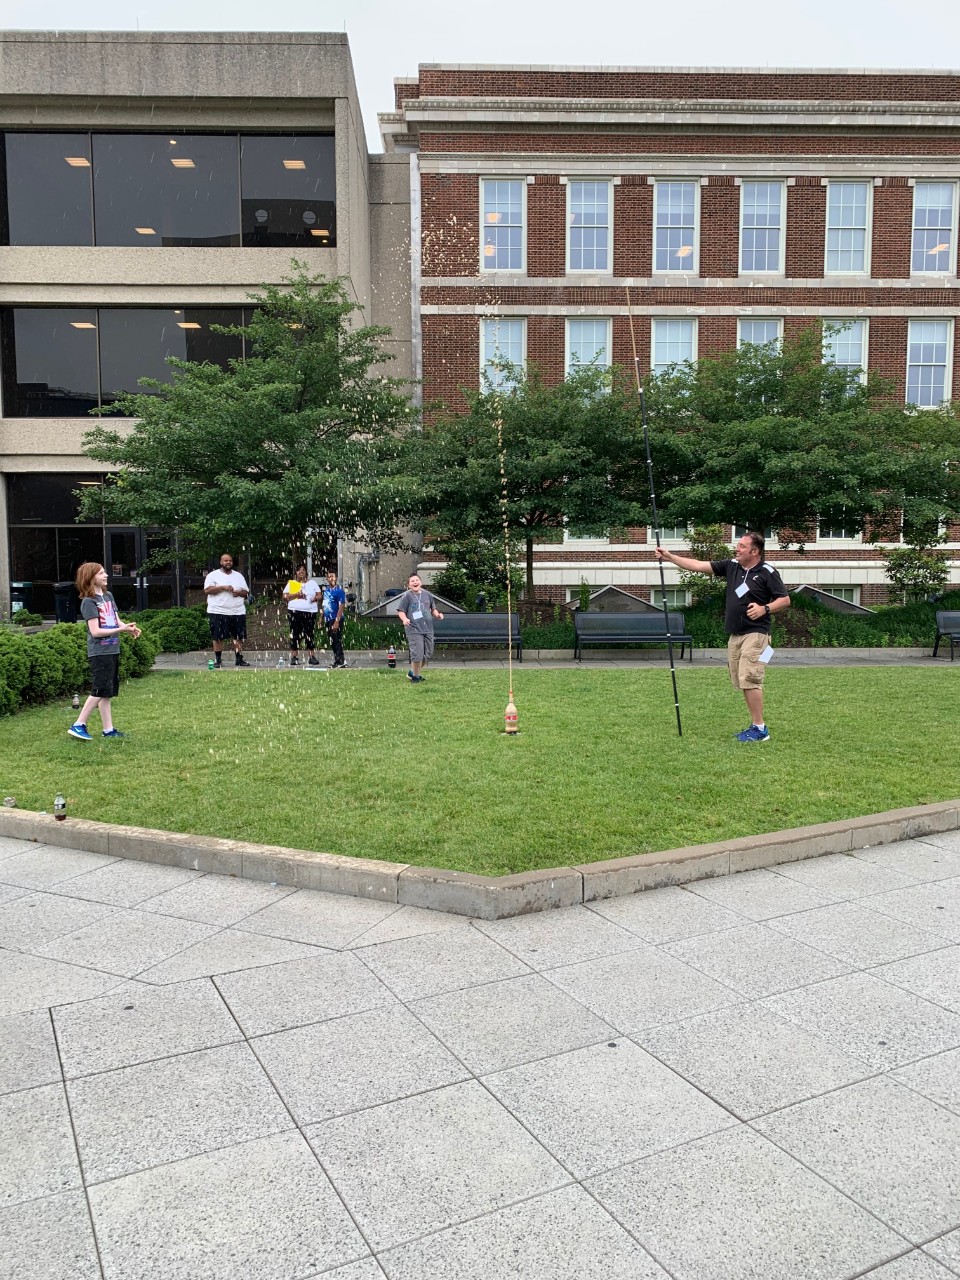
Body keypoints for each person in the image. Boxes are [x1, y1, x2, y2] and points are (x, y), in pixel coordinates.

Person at [657, 530, 790, 742]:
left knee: (751, 677)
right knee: (741, 679)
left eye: (742, 546)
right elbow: (699, 565)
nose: (737, 548)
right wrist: (670, 557)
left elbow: (784, 600)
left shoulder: (767, 572)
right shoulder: (732, 566)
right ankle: (756, 726)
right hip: (736, 635)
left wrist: (764, 609)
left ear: (755, 551)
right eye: (738, 545)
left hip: (757, 635)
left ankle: (760, 728)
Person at [68, 562, 142, 740]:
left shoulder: (108, 596)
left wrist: (128, 628)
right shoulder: (88, 601)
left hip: (112, 649)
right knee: (100, 689)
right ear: (91, 577)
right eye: (101, 573)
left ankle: (108, 730)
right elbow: (96, 631)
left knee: (106, 691)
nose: (106, 575)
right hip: (99, 652)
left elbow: (116, 621)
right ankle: (79, 724)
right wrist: (121, 630)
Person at [203, 553, 250, 668]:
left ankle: (239, 659)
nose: (228, 562)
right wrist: (223, 587)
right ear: (221, 562)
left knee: (238, 637)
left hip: (237, 611)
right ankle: (218, 660)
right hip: (218, 611)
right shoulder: (213, 575)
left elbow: (246, 593)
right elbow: (207, 590)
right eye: (225, 561)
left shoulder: (238, 576)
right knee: (217, 636)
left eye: (230, 561)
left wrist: (239, 593)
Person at [396, 573, 444, 683]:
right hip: (413, 629)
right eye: (412, 581)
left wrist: (437, 615)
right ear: (408, 585)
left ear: (421, 582)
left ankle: (412, 672)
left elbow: (433, 609)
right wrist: (404, 619)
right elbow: (401, 611)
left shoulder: (428, 595)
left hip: (427, 628)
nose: (415, 582)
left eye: (417, 580)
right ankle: (416, 677)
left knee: (428, 654)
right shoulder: (407, 596)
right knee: (417, 654)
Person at [283, 563, 321, 666]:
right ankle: (294, 656)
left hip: (310, 612)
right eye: (299, 570)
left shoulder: (312, 583)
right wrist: (296, 595)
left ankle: (311, 656)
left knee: (309, 634)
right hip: (295, 611)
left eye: (303, 570)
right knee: (295, 634)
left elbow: (319, 595)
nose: (301, 572)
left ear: (306, 573)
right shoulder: (292, 583)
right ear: (296, 573)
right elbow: (285, 596)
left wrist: (315, 598)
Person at [320, 568, 347, 669]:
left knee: (337, 640)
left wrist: (337, 621)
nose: (331, 578)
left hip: (336, 618)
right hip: (328, 618)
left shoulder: (339, 591)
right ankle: (337, 660)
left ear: (336, 578)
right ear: (327, 578)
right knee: (332, 640)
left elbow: (341, 606)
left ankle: (341, 660)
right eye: (329, 576)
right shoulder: (326, 591)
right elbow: (324, 605)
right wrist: (321, 617)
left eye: (333, 576)